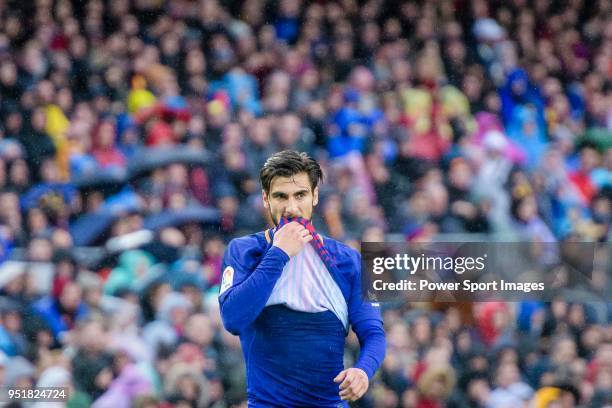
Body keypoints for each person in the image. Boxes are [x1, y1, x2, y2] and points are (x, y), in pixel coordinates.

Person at [218, 150, 386, 406]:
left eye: (300, 195)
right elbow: (233, 319)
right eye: (280, 196)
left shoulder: (350, 261)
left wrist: (363, 370)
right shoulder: (244, 251)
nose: (291, 208)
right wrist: (279, 253)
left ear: (315, 196)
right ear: (265, 199)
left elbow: (373, 332)